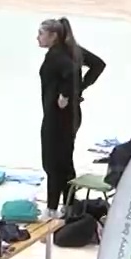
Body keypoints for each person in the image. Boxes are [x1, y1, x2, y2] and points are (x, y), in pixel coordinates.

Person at [38, 18, 106, 215]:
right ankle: (68, 205)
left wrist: (68, 93)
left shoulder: (59, 56)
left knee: (52, 162)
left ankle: (52, 208)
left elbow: (71, 72)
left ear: (53, 36)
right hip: (70, 116)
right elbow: (97, 65)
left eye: (41, 34)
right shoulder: (71, 50)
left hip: (58, 117)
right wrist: (79, 90)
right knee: (64, 161)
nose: (37, 38)